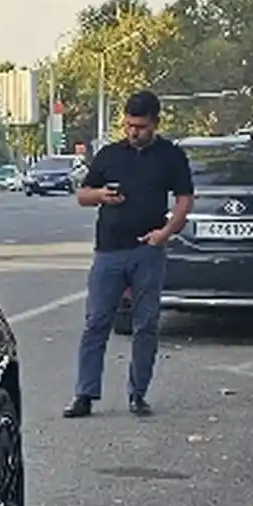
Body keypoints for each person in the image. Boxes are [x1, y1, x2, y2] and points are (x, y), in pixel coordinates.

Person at [64, 88, 194, 419]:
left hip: (147, 250)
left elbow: (184, 199)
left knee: (146, 324)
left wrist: (165, 233)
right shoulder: (109, 155)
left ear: (156, 123)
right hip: (109, 251)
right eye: (129, 125)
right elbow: (82, 196)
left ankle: (138, 394)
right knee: (96, 322)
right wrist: (100, 195)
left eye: (142, 127)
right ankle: (84, 394)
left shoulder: (171, 156)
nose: (134, 132)